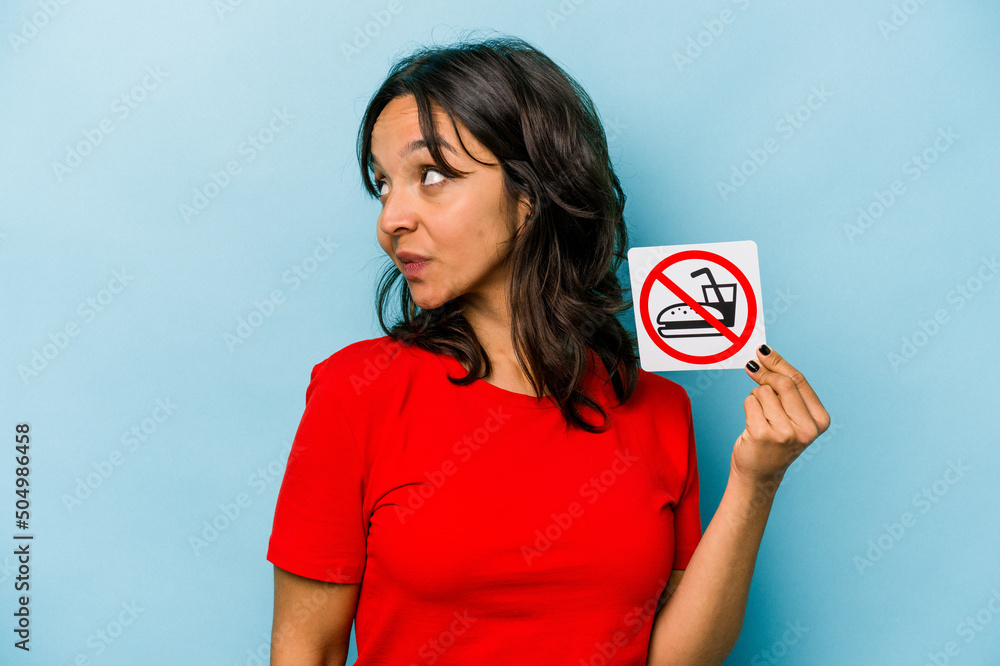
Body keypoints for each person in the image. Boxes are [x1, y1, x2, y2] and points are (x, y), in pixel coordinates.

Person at [266, 33, 830, 666]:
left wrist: (757, 482)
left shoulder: (657, 407)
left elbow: (674, 660)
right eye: (382, 184)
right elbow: (304, 651)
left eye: (430, 176)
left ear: (531, 195)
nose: (391, 216)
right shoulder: (356, 390)